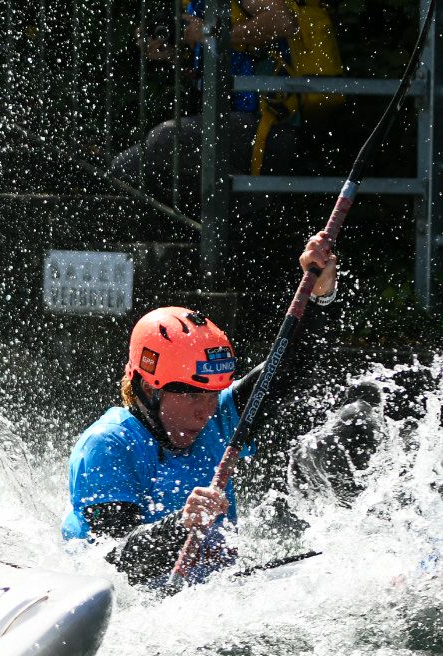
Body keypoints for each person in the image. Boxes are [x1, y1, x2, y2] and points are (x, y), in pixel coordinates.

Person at [64, 232, 341, 587]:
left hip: (206, 589)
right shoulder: (106, 446)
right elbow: (116, 564)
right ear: (150, 389)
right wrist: (181, 524)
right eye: (193, 395)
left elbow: (291, 367)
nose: (206, 411)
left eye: (213, 394)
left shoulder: (223, 416)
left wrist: (321, 296)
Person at [110, 0, 300, 207]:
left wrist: (211, 32)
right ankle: (204, 227)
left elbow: (284, 21)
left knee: (165, 139)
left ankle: (252, 222)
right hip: (224, 126)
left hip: (268, 127)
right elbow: (210, 73)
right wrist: (171, 55)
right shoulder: (196, 5)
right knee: (124, 167)